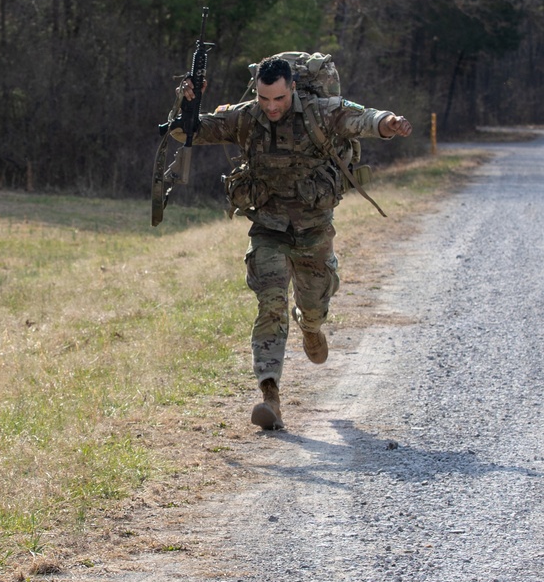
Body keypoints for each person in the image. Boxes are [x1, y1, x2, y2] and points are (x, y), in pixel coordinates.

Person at [172, 56, 412, 430]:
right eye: (265, 99)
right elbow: (188, 132)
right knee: (270, 305)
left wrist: (389, 123)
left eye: (279, 99)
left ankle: (311, 326)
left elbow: (362, 117)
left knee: (312, 306)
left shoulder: (321, 112)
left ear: (293, 89)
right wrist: (189, 103)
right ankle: (270, 397)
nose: (271, 107)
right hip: (268, 227)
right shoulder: (245, 117)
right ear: (257, 92)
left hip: (313, 229)